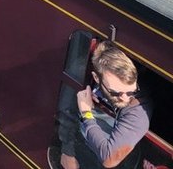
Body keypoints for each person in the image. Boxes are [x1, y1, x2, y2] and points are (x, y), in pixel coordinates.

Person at [58, 41, 152, 169]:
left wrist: (87, 114)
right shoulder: (82, 70)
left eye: (131, 91)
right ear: (96, 78)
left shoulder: (138, 108)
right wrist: (67, 150)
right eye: (115, 92)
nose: (125, 97)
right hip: (82, 146)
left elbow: (109, 158)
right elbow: (66, 109)